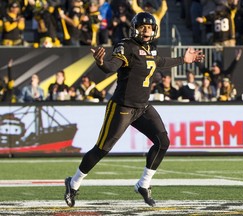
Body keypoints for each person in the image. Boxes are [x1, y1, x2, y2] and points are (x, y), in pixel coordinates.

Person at [64, 12, 204, 208]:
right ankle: (73, 183)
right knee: (102, 149)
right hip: (122, 107)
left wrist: (183, 60)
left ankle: (143, 184)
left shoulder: (151, 48)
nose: (146, 30)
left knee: (163, 142)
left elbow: (160, 63)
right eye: (142, 27)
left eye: (149, 27)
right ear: (134, 28)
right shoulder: (126, 45)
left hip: (142, 107)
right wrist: (101, 62)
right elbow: (112, 66)